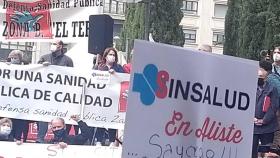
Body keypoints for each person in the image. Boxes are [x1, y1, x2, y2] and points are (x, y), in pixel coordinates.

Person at [36, 40, 78, 143]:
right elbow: (36, 73)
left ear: (61, 46)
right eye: (52, 44)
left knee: (62, 116)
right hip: (46, 93)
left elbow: (71, 76)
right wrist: (42, 66)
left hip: (61, 94)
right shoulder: (44, 58)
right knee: (43, 114)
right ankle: (40, 138)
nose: (52, 46)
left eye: (55, 44)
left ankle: (63, 139)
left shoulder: (68, 60)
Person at [94, 47, 124, 146]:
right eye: (110, 54)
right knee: (100, 119)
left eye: (114, 55)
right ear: (105, 56)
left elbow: (124, 80)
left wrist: (115, 74)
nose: (112, 57)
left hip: (114, 99)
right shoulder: (99, 67)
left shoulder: (119, 68)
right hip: (102, 99)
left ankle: (112, 141)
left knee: (112, 119)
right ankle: (98, 140)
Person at [252, 61, 279, 158]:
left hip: (267, 129)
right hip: (252, 128)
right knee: (252, 152)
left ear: (267, 73)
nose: (259, 72)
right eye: (258, 69)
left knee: (265, 153)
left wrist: (264, 120)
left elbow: (273, 106)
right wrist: (251, 118)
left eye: (262, 70)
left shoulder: (272, 89)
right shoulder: (249, 87)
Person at [6, 50, 30, 143]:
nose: (13, 59)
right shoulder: (5, 68)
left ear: (20, 59)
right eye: (11, 58)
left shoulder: (27, 69)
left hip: (21, 106)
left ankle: (18, 138)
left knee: (19, 127)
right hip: (7, 106)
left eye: (15, 58)